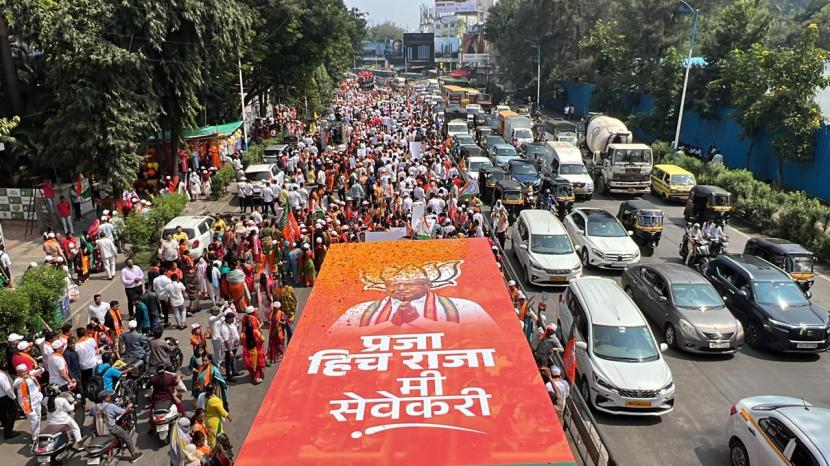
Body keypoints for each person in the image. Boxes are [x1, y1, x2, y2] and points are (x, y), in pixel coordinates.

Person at [90, 390, 142, 462]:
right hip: (111, 429)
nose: (111, 398)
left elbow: (91, 414)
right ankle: (134, 456)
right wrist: (128, 406)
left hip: (98, 430)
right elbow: (123, 411)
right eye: (109, 396)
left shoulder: (94, 407)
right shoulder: (111, 406)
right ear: (106, 398)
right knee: (127, 437)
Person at [43, 384, 82, 448]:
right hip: (63, 420)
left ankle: (69, 441)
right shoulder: (61, 400)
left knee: (67, 430)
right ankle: (80, 443)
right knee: (76, 428)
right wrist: (74, 403)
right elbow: (70, 409)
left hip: (51, 421)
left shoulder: (45, 399)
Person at [14, 364, 44, 441]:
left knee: (38, 418)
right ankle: (35, 438)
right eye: (23, 372)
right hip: (27, 404)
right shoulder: (18, 380)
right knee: (34, 419)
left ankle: (37, 434)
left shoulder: (31, 376)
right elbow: (15, 384)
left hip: (36, 401)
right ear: (18, 373)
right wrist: (23, 377)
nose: (25, 373)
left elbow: (42, 370)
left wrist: (38, 367)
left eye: (26, 371)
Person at [240, 306, 265, 384]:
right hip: (255, 343)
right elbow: (256, 331)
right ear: (253, 312)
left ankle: (253, 375)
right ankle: (256, 377)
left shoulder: (244, 318)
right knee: (256, 360)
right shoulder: (253, 320)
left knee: (249, 360)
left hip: (246, 343)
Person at [203, 384, 231, 449]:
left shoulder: (205, 396)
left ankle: (212, 449)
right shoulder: (214, 400)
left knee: (211, 436)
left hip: (208, 419)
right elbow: (222, 411)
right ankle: (218, 450)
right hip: (215, 422)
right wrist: (229, 417)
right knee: (219, 435)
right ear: (213, 390)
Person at [219, 312, 240, 381]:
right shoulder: (224, 328)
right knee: (228, 362)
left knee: (233, 359)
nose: (233, 320)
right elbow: (226, 340)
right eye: (231, 318)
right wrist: (230, 350)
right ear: (227, 319)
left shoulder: (231, 324)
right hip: (229, 348)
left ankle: (234, 372)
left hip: (234, 345)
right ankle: (228, 376)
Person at [0, 368, 18, 439]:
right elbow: (7, 388)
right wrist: (13, 397)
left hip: (1, 398)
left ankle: (6, 428)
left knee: (2, 414)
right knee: (13, 412)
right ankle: (8, 432)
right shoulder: (1, 375)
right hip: (5, 397)